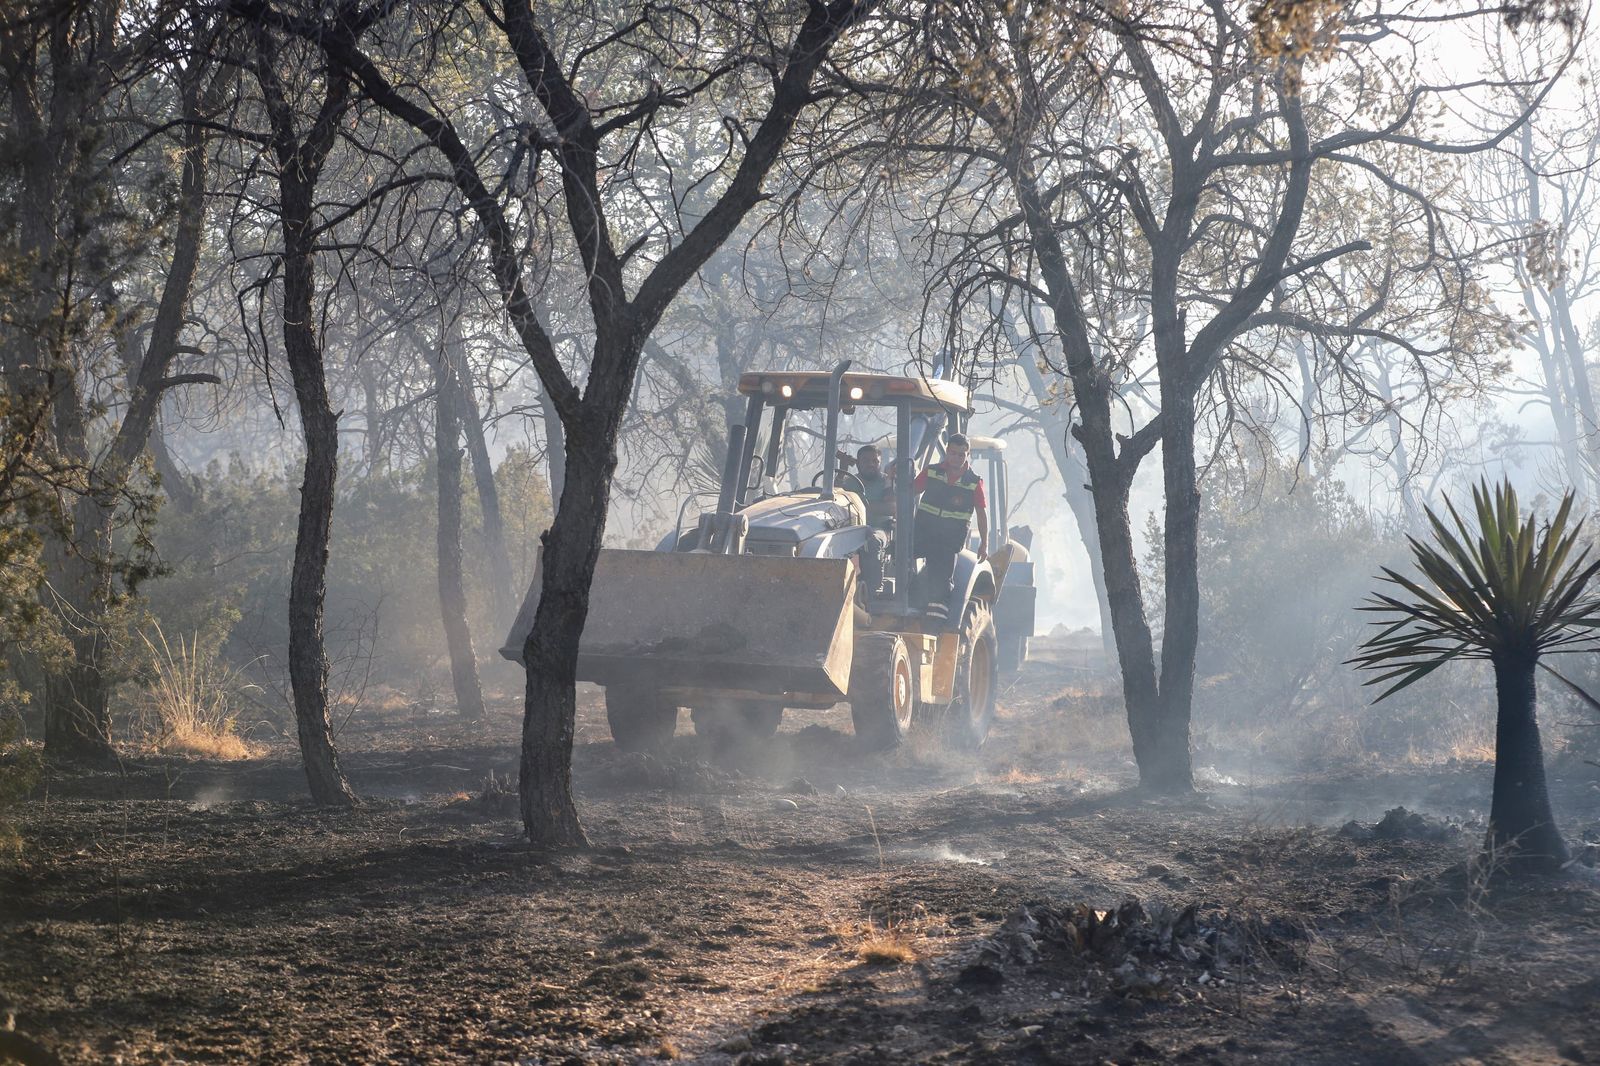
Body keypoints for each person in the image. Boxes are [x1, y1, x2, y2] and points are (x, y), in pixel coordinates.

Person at [913, 432, 987, 613]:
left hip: (949, 540)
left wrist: (984, 544)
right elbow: (909, 492)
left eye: (961, 454)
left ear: (967, 455)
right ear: (947, 452)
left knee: (942, 578)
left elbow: (981, 513)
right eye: (953, 453)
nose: (956, 458)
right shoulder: (931, 472)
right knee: (902, 563)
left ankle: (937, 617)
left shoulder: (974, 482)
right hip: (923, 534)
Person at [854, 444, 895, 596]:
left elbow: (891, 508)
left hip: (880, 528)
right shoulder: (850, 481)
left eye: (875, 461)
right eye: (865, 461)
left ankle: (872, 590)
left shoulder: (888, 481)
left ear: (880, 463)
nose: (871, 464)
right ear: (858, 463)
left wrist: (858, 505)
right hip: (850, 528)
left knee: (872, 540)